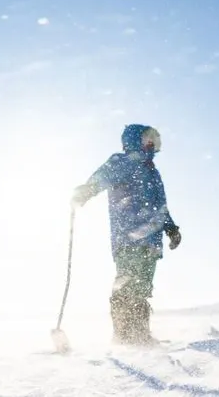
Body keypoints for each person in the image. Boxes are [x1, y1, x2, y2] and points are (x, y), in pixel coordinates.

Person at [71, 123, 182, 346]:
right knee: (127, 285)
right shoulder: (123, 162)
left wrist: (170, 227)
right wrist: (87, 190)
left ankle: (140, 334)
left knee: (142, 288)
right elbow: (102, 177)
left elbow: (160, 206)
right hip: (129, 237)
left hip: (151, 241)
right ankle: (123, 336)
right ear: (135, 141)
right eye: (148, 139)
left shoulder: (153, 171)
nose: (153, 144)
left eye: (155, 140)